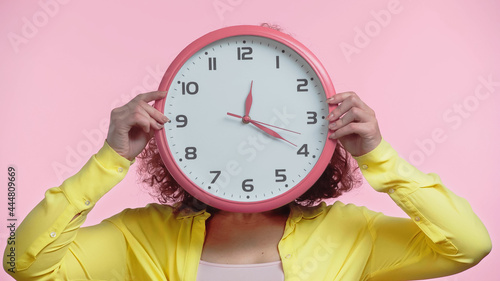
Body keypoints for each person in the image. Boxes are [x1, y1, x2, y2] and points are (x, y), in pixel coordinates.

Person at [3, 90, 491, 281]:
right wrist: (110, 159)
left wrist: (378, 154)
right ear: (182, 153)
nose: (246, 150)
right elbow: (24, 262)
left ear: (313, 148)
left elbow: (468, 245)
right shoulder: (142, 235)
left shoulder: (352, 233)